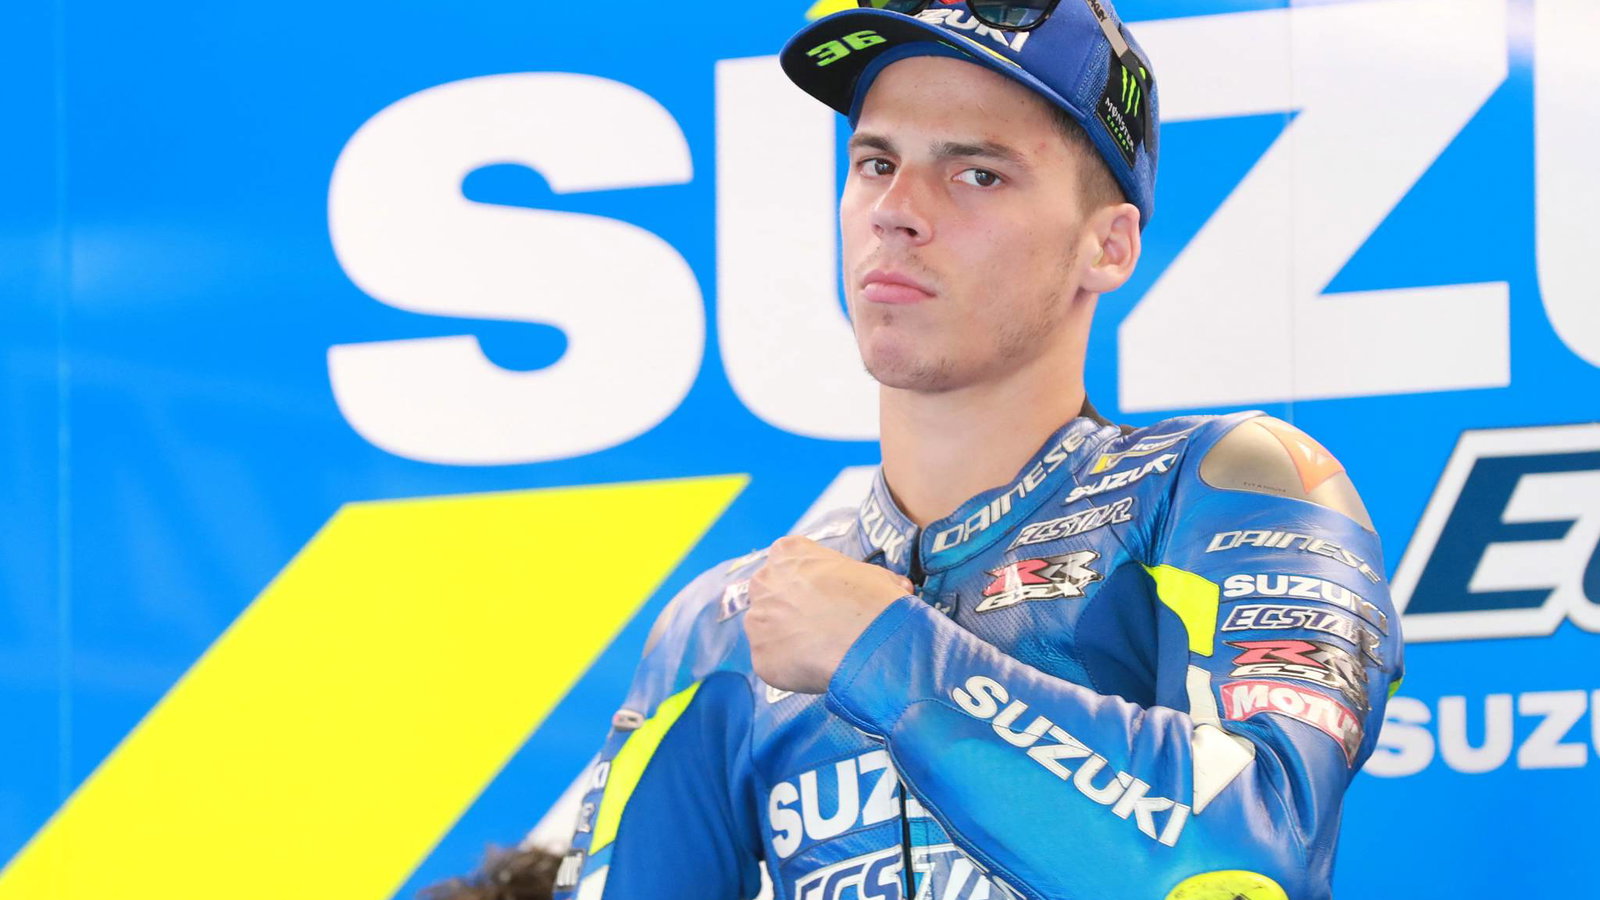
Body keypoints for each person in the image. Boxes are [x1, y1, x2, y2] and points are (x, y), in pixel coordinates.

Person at [553, 3, 1403, 899]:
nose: (896, 212)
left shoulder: (1229, 485)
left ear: (1108, 246)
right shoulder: (726, 623)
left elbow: (1246, 865)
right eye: (876, 163)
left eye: (977, 174)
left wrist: (883, 651)